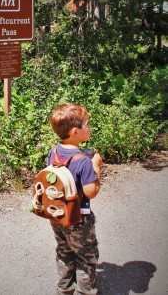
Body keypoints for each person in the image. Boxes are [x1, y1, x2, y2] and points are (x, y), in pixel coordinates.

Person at [47, 102, 103, 295]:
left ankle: (64, 289)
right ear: (75, 132)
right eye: (86, 124)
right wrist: (96, 166)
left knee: (64, 252)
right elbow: (91, 192)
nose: (89, 127)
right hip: (79, 219)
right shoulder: (84, 161)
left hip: (58, 215)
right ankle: (86, 291)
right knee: (86, 255)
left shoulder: (53, 151)